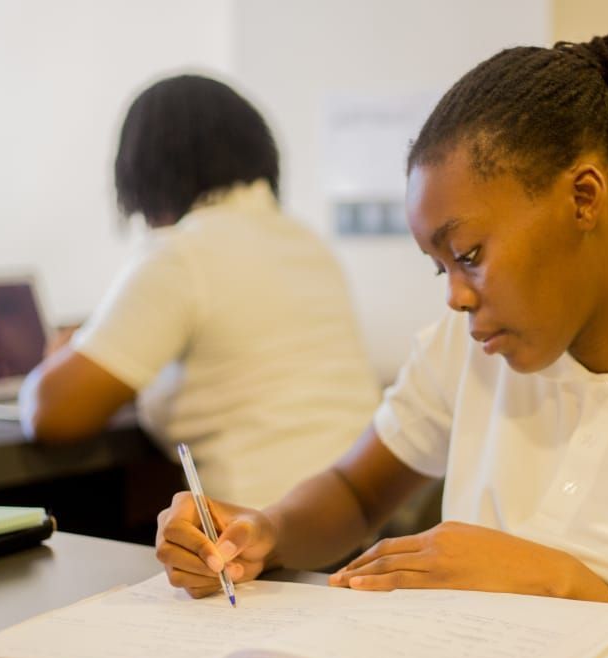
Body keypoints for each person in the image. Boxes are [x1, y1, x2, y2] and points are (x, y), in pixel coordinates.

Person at [154, 34, 608, 650]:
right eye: (440, 268)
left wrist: (556, 583)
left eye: (468, 254)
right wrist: (263, 531)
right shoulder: (467, 346)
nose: (455, 296)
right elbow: (354, 490)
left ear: (582, 197)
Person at [20, 75, 379, 508]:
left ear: (144, 171)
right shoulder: (306, 240)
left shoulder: (184, 253)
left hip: (263, 532)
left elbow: (51, 414)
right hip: (352, 522)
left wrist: (69, 350)